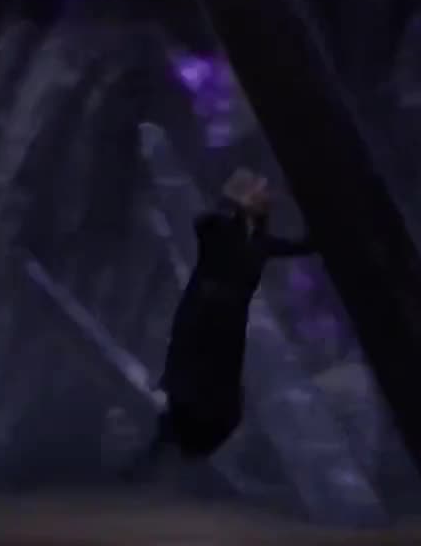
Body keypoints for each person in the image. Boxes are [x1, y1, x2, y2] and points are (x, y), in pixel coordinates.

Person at [131, 169, 314, 475]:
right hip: (199, 326)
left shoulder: (260, 242)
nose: (267, 196)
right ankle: (161, 457)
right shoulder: (217, 229)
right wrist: (236, 203)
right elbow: (206, 223)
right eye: (260, 191)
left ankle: (186, 458)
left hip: (227, 333)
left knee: (222, 407)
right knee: (186, 396)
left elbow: (306, 245)